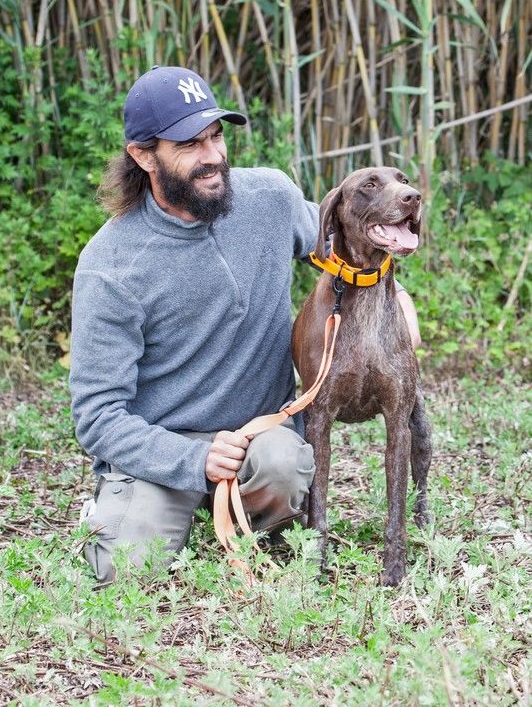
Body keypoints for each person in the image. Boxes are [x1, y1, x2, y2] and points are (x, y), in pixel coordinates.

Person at [70, 65, 420, 583]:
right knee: (125, 571)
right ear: (143, 156)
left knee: (285, 468)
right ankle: (133, 506)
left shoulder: (269, 200)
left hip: (258, 439)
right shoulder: (110, 264)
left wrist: (402, 300)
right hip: (163, 446)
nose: (213, 156)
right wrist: (194, 458)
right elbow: (97, 416)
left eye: (216, 136)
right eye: (189, 143)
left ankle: (244, 513)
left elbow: (346, 243)